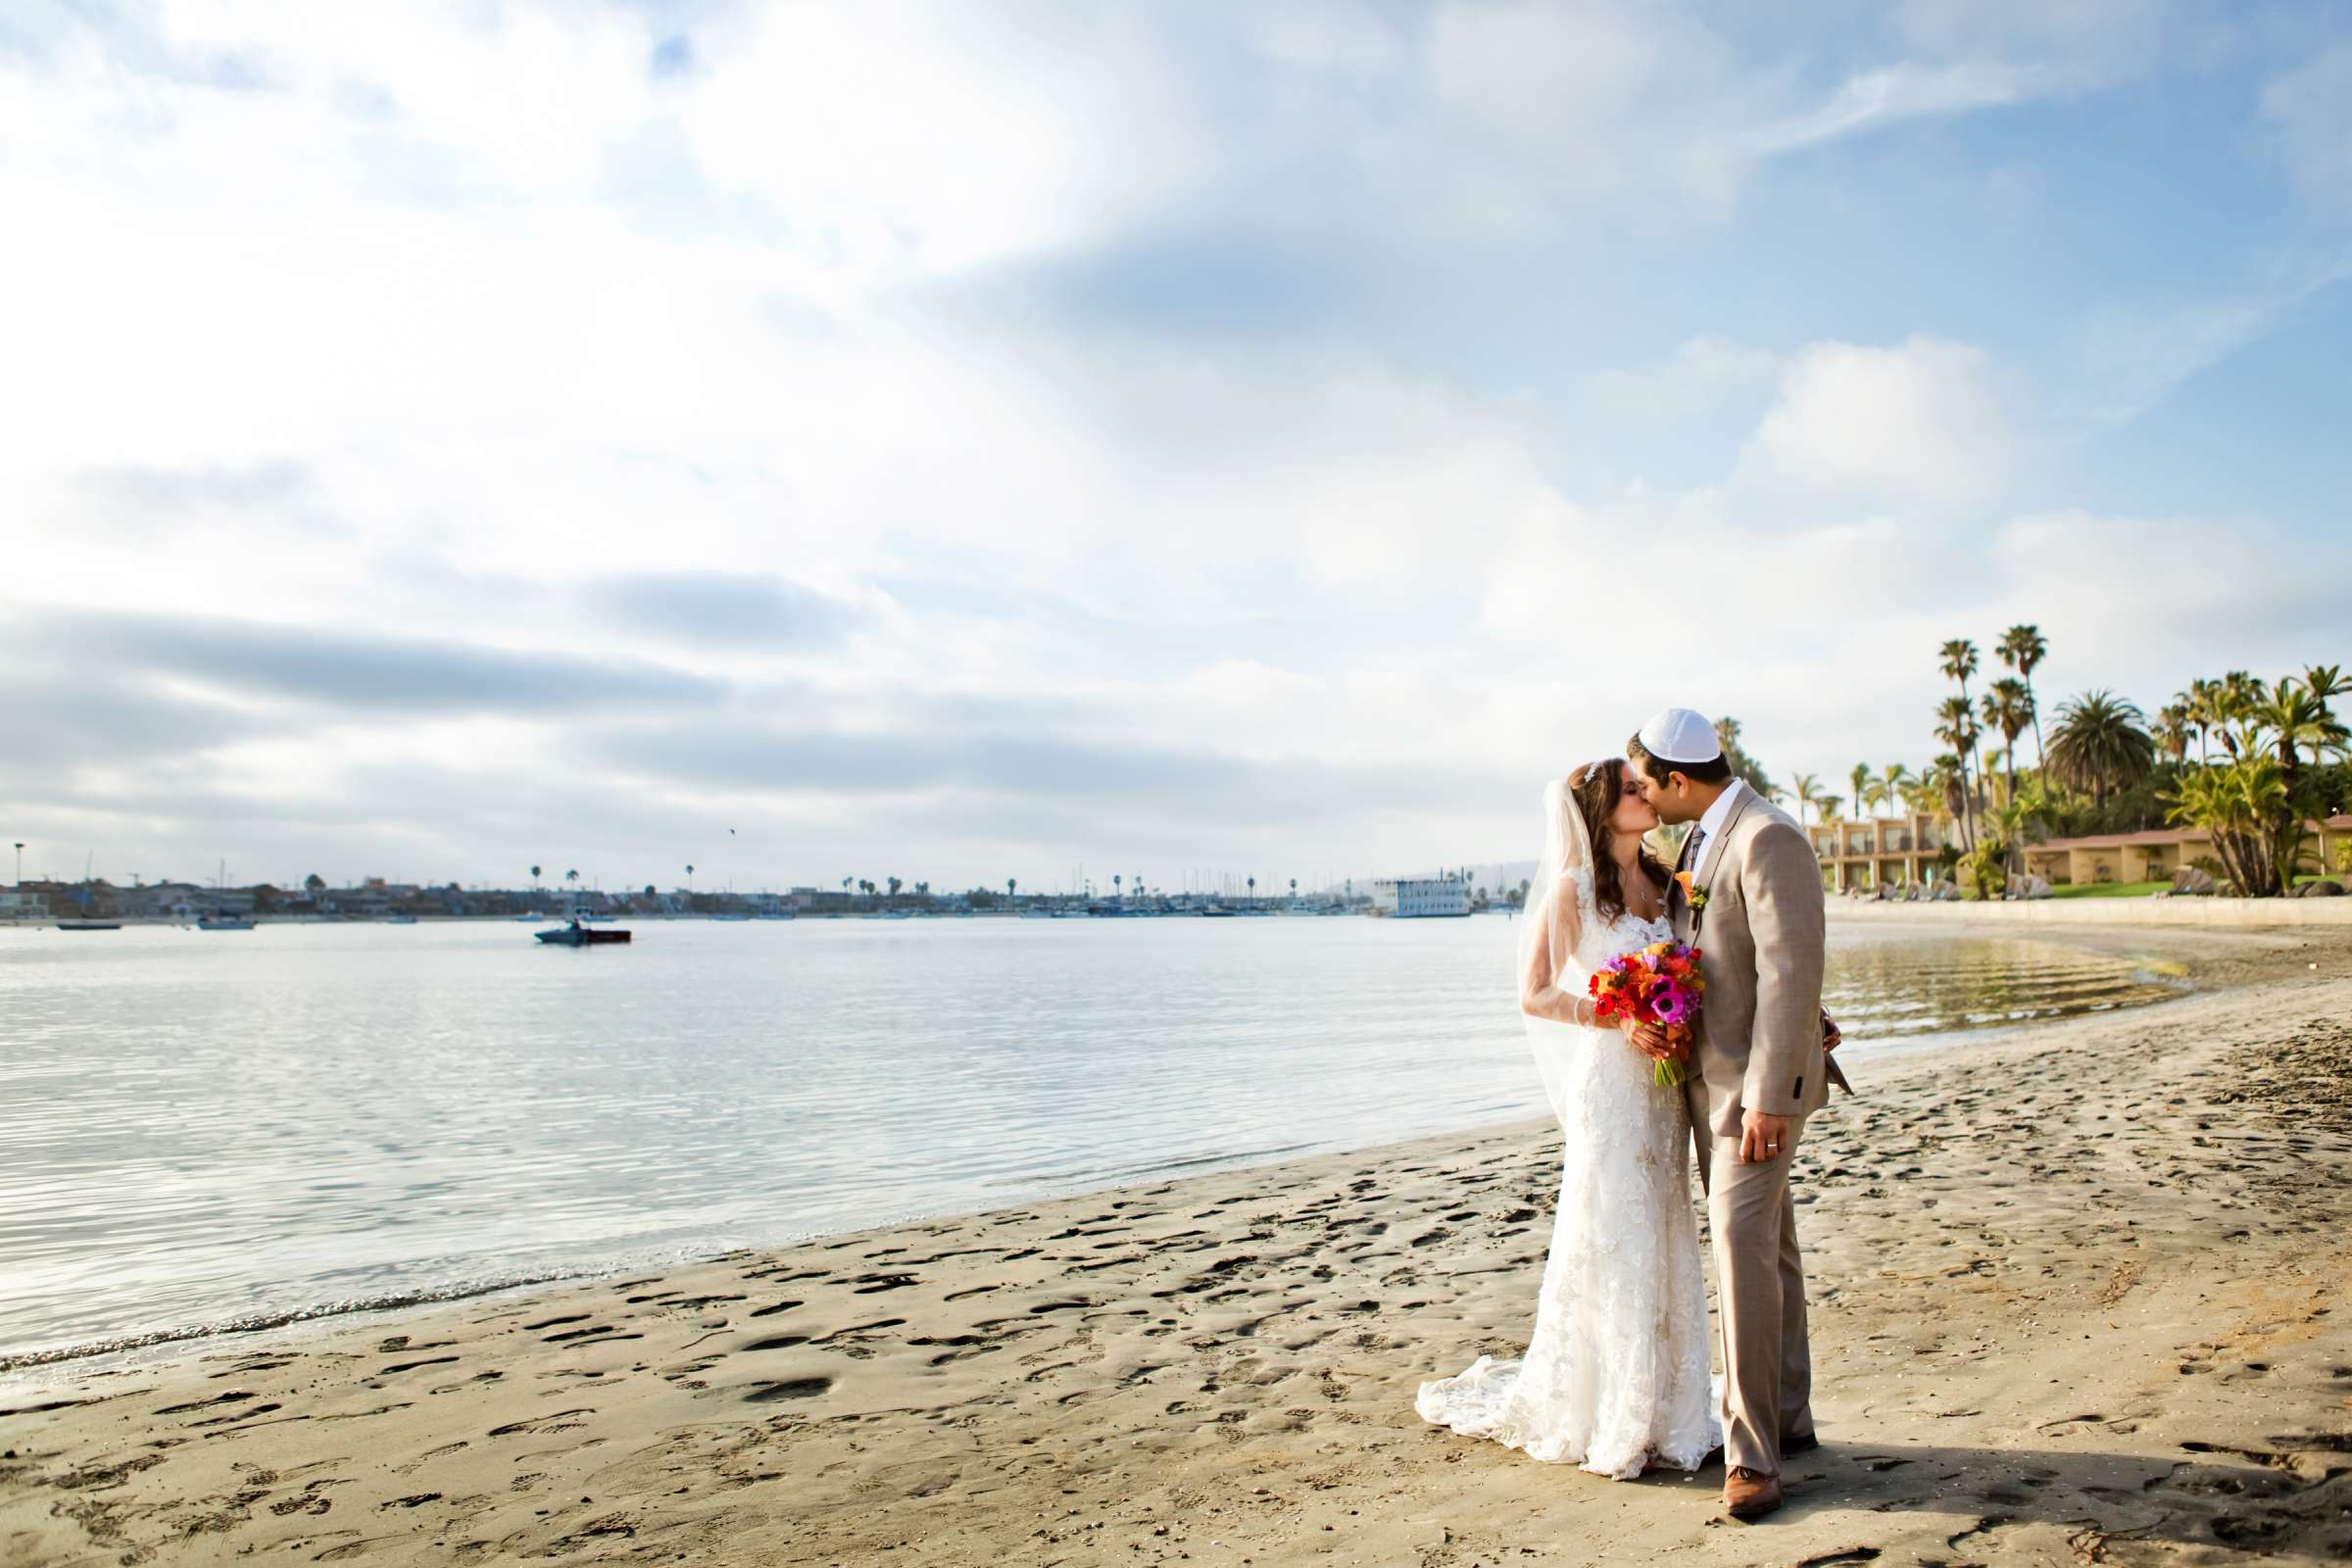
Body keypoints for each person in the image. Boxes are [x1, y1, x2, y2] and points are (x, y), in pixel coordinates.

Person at [1414, 760, 1720, 1479]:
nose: (1646, 796)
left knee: (1664, 1221)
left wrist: (1673, 1017)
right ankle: (1615, 1409)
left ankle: (1672, 1406)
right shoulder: (1573, 891)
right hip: (1612, 1082)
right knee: (1613, 1230)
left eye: (1645, 788)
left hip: (1662, 1086)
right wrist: (1616, 1016)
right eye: (1631, 790)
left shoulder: (1667, 880)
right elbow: (1535, 994)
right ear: (1601, 810)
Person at [1626, 706, 1843, 1520]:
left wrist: (1770, 1097)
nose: (1647, 796)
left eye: (1651, 783)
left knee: (1740, 1249)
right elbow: (1738, 962)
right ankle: (1789, 1418)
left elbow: (1792, 968)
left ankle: (1753, 1459)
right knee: (1772, 1248)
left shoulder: (1766, 837)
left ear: (1680, 781)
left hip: (1753, 1097)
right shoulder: (1694, 842)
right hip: (1708, 1085)